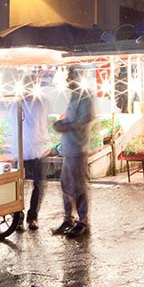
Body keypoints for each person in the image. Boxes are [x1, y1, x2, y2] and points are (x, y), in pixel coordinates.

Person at [51, 67, 94, 239]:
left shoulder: (84, 96)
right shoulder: (74, 96)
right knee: (66, 185)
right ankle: (68, 219)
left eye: (70, 76)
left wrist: (64, 126)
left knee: (78, 187)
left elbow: (85, 119)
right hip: (69, 149)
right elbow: (73, 119)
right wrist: (62, 123)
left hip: (77, 149)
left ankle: (83, 221)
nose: (68, 79)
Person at [19, 82, 49, 231]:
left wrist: (45, 142)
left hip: (38, 149)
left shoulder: (40, 104)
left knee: (39, 184)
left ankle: (33, 217)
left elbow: (43, 125)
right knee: (18, 185)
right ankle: (17, 217)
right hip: (21, 150)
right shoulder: (17, 104)